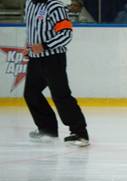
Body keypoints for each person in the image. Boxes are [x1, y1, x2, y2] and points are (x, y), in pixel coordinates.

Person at [23, 0, 89, 146]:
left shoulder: (55, 7)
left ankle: (80, 133)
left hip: (53, 58)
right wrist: (28, 46)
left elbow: (66, 34)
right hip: (35, 59)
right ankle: (48, 129)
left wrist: (45, 46)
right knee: (31, 94)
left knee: (61, 95)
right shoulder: (29, 4)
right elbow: (31, 28)